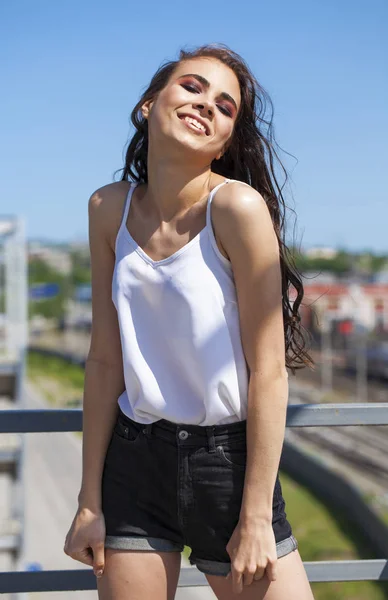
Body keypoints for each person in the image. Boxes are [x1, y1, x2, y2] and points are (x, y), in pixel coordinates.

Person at [64, 43, 315, 599]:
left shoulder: (237, 209)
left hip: (227, 467)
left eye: (226, 107)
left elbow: (270, 372)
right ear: (149, 105)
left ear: (227, 140)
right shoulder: (108, 208)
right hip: (133, 463)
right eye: (193, 87)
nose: (207, 105)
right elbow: (105, 358)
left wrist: (254, 516)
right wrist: (89, 501)